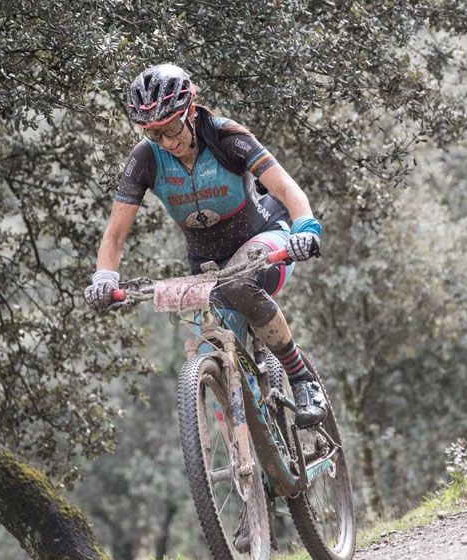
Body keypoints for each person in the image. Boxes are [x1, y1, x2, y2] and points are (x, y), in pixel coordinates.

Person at [84, 63, 327, 427]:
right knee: (217, 362)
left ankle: (302, 379)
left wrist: (305, 229)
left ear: (191, 110)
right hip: (207, 265)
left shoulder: (227, 137)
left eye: (171, 128)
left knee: (236, 283)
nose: (167, 141)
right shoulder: (145, 159)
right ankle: (255, 464)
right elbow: (115, 234)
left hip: (266, 240)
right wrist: (105, 276)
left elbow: (287, 189)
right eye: (154, 133)